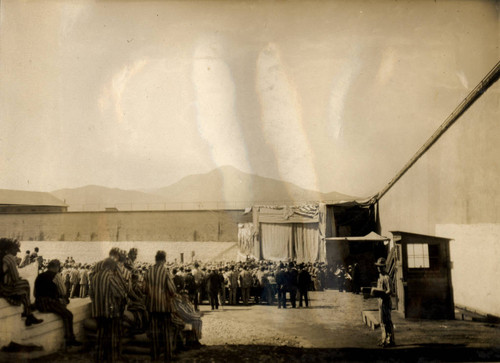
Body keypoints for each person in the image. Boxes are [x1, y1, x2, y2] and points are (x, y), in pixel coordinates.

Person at [34, 259, 82, 347]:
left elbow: (35, 293)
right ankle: (70, 339)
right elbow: (63, 291)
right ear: (56, 267)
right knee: (68, 315)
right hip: (49, 303)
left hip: (39, 304)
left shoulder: (40, 276)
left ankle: (69, 339)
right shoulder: (56, 276)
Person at [89, 258, 127, 362]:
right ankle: (112, 358)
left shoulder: (95, 277)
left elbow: (91, 294)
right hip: (110, 311)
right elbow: (119, 293)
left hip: (98, 311)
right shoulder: (111, 276)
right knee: (112, 335)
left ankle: (99, 357)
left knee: (100, 334)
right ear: (112, 266)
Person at [0, 238, 43, 326]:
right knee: (25, 284)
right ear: (9, 249)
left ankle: (28, 314)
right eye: (15, 249)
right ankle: (28, 314)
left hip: (2, 286)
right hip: (4, 288)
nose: (17, 252)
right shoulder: (9, 258)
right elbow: (15, 278)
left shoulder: (2, 256)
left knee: (23, 288)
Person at [144, 250, 177, 361]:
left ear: (155, 259)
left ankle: (155, 357)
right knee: (166, 333)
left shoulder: (148, 272)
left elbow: (144, 289)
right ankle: (168, 357)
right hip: (164, 307)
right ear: (163, 260)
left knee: (154, 334)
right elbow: (172, 290)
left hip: (152, 307)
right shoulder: (165, 271)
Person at [374, 257, 395, 347]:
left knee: (387, 321)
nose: (379, 268)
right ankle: (384, 339)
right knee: (382, 322)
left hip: (386, 302)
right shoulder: (380, 277)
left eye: (381, 266)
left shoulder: (387, 278)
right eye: (378, 266)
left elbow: (390, 291)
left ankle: (390, 340)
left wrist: (383, 293)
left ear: (384, 267)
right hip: (381, 302)